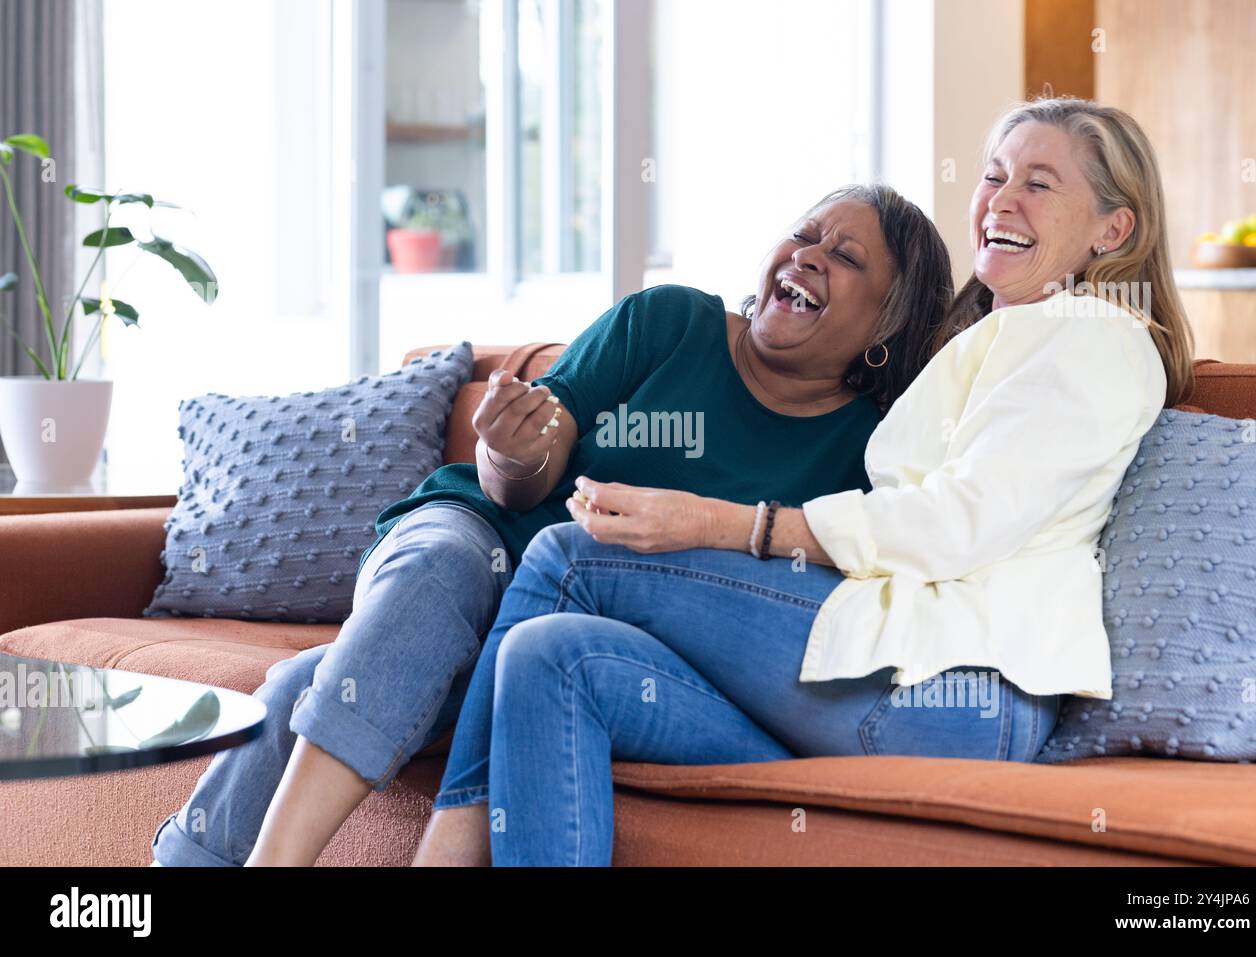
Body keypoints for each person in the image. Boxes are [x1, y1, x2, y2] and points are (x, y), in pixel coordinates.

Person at [422, 97, 1196, 866]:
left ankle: (441, 856)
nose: (1002, 198)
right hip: (877, 677)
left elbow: (958, 521)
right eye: (994, 175)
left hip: (955, 684)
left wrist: (729, 524)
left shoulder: (1097, 337)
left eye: (1039, 182)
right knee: (552, 655)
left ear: (1112, 228)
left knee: (568, 556)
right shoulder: (1002, 338)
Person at [150, 183, 956, 866]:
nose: (809, 254)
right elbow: (523, 470)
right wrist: (508, 447)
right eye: (805, 233)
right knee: (444, 572)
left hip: (572, 632)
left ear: (888, 325)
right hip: (477, 537)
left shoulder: (871, 451)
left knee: (302, 685)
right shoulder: (669, 323)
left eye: (846, 257)